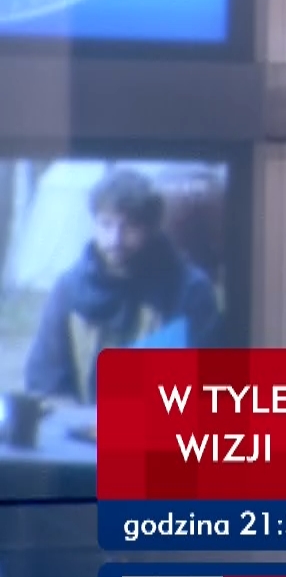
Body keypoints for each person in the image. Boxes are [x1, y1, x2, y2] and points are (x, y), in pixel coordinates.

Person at [24, 168, 222, 403]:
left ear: (151, 227)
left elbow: (210, 383)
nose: (115, 239)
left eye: (129, 227)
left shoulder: (189, 289)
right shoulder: (69, 289)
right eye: (106, 225)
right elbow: (45, 382)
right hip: (84, 424)